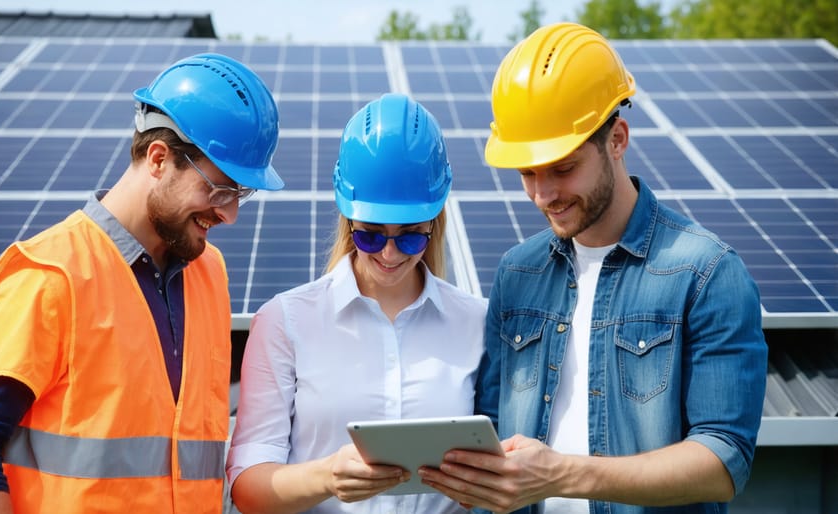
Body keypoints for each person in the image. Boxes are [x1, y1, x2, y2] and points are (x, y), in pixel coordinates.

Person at [418, 22, 769, 514]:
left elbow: (723, 460)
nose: (543, 195)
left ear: (618, 139)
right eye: (527, 173)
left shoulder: (706, 273)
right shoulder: (517, 274)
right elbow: (493, 427)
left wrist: (562, 473)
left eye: (562, 168)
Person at [0, 53, 283, 514]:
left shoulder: (210, 272)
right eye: (220, 189)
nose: (229, 213)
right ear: (159, 159)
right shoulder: (50, 274)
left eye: (241, 194)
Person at [226, 93, 487, 514]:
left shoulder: (477, 322)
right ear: (347, 219)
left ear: (435, 221)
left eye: (410, 236)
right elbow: (248, 487)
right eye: (369, 235)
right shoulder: (285, 321)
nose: (389, 254)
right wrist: (327, 475)